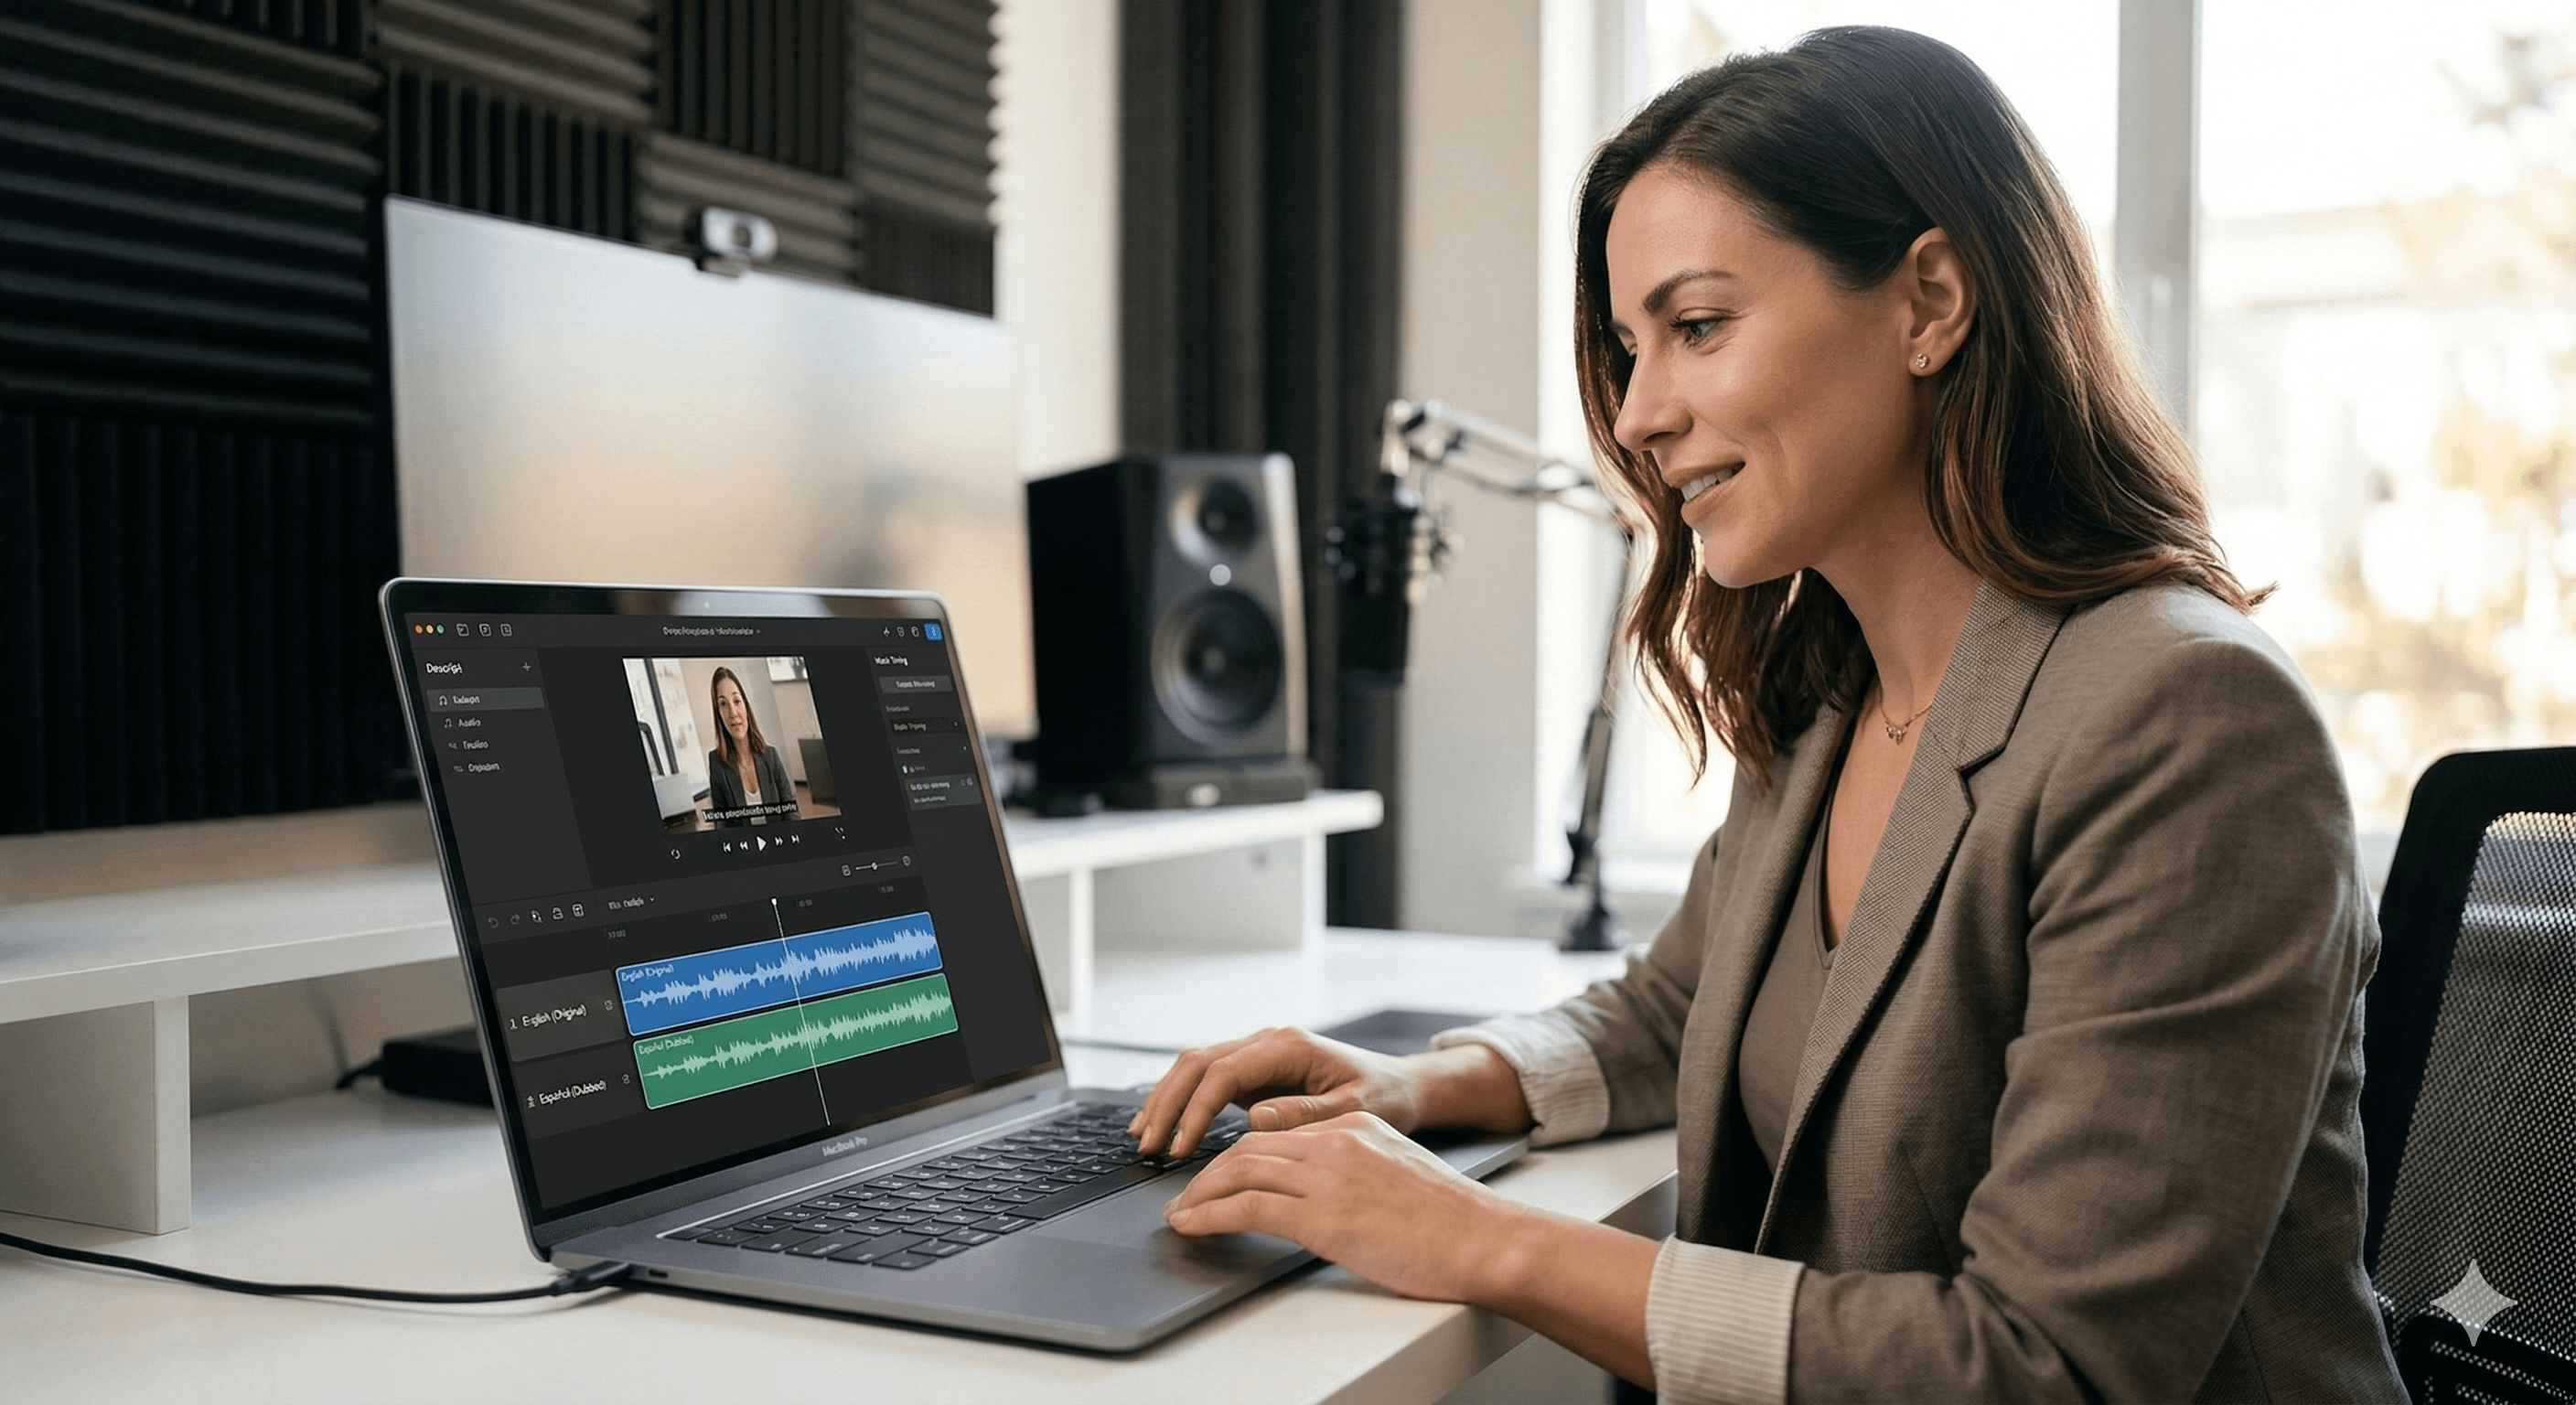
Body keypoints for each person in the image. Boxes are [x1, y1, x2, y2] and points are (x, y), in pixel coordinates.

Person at [1127, 27, 2406, 1404]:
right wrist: (1418, 1087)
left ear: (1929, 303)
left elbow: (2051, 1368)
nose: (1636, 415)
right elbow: (1685, 1006)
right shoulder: (1829, 691)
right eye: (1627, 349)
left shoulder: (2184, 718)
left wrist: (1478, 1239)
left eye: (1696, 327)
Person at [703, 666, 797, 827]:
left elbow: (791, 814)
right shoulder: (716, 763)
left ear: (746, 706)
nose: (733, 712)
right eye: (723, 704)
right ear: (718, 713)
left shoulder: (771, 756)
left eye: (737, 701)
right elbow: (722, 825)